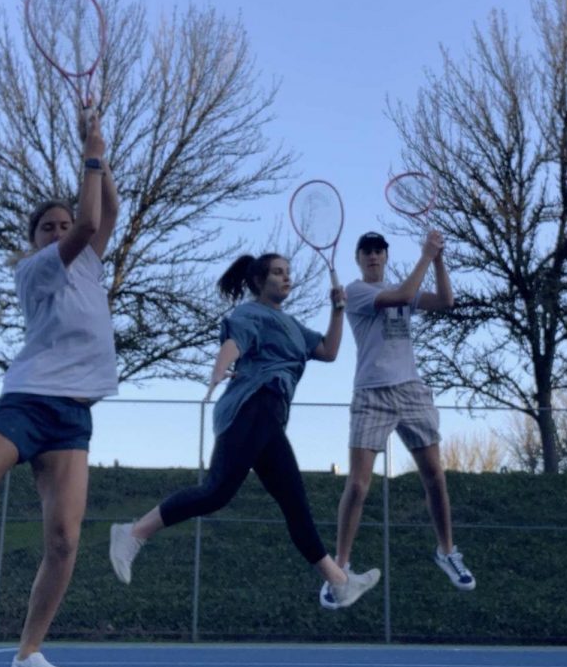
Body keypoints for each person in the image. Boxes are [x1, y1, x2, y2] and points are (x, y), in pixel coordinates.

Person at [109, 253, 380, 610]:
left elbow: (329, 351)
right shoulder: (250, 314)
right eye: (277, 273)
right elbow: (233, 344)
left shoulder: (294, 326)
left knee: (278, 503)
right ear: (257, 282)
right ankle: (133, 533)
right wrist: (220, 369)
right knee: (221, 493)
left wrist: (338, 309)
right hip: (253, 406)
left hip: (268, 420)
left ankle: (340, 582)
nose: (286, 278)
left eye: (288, 273)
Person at [0, 113, 119, 667]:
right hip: (27, 400)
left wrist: (99, 151)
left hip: (73, 417)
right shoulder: (36, 270)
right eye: (49, 225)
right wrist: (90, 155)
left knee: (66, 541)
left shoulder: (91, 265)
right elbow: (91, 220)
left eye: (62, 223)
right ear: (36, 239)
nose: (60, 229)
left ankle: (26, 654)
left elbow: (103, 214)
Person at [320, 230, 475, 610]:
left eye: (379, 251)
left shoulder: (401, 284)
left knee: (435, 476)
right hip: (372, 394)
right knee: (357, 485)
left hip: (411, 391)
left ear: (386, 257)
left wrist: (438, 259)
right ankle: (340, 568)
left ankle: (447, 552)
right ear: (358, 259)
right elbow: (404, 296)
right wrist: (425, 255)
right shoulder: (357, 292)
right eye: (367, 251)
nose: (373, 256)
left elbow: (445, 301)